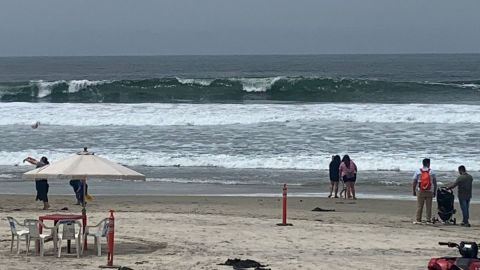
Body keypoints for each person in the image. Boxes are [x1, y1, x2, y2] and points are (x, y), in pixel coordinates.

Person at [412, 158, 437, 224]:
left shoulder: (418, 171)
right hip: (429, 191)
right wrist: (435, 191)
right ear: (428, 164)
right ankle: (428, 220)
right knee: (429, 206)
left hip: (421, 190)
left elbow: (414, 182)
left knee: (419, 206)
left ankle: (418, 219)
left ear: (423, 164)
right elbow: (434, 183)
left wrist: (414, 190)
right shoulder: (432, 172)